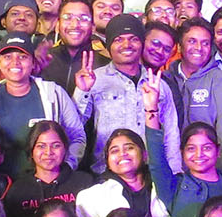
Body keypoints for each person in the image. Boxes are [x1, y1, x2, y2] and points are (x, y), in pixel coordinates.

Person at [0, 33, 86, 177]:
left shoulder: (54, 93)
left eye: (22, 57)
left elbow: (77, 135)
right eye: (7, 57)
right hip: (0, 184)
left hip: (45, 184)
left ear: (33, 62)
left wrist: (67, 167)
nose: (15, 62)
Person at [72, 14, 181, 173]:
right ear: (109, 46)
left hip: (151, 174)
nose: (126, 45)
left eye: (133, 39)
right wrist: (82, 91)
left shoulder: (159, 85)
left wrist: (175, 173)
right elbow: (74, 127)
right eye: (118, 40)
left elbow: (171, 135)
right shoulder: (94, 80)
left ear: (142, 44)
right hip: (107, 173)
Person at [74, 127, 171, 217]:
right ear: (108, 162)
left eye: (129, 148)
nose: (122, 154)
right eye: (114, 151)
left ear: (145, 155)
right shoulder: (90, 197)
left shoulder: (164, 187)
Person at [170, 18, 222, 171]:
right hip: (170, 172)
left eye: (205, 43)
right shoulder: (166, 79)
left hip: (209, 173)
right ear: (179, 46)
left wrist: (214, 176)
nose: (199, 48)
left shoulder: (221, 81)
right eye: (192, 41)